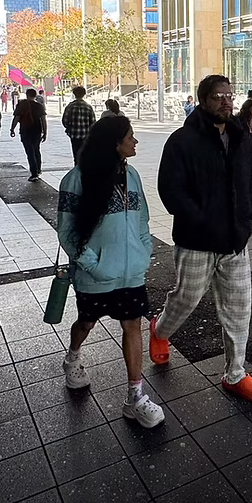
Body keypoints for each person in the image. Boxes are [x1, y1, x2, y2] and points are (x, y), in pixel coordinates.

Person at [150, 74, 252, 402]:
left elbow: (250, 178)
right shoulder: (182, 141)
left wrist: (246, 218)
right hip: (197, 239)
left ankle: (235, 373)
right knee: (186, 298)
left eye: (229, 95)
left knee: (239, 307)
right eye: (218, 96)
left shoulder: (241, 136)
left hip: (235, 240)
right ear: (202, 101)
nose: (226, 101)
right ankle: (160, 330)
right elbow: (170, 191)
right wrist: (200, 218)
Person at [57, 116, 164, 428]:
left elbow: (142, 218)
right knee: (86, 323)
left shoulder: (132, 176)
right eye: (130, 136)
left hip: (131, 274)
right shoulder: (76, 179)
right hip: (94, 276)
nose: (135, 141)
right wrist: (94, 264)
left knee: (133, 325)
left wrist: (143, 251)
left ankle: (135, 397)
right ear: (114, 143)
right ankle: (73, 357)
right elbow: (67, 232)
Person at [11, 88, 47, 181]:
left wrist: (12, 129)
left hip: (25, 131)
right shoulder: (39, 106)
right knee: (36, 150)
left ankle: (34, 173)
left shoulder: (21, 105)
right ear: (35, 96)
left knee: (30, 152)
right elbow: (43, 120)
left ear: (26, 95)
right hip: (37, 131)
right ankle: (38, 169)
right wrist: (45, 132)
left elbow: (16, 118)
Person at [62, 86, 97, 165]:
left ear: (74, 94)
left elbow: (65, 121)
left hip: (74, 135)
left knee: (76, 155)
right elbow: (93, 122)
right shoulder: (88, 107)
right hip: (86, 135)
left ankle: (77, 168)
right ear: (84, 94)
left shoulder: (70, 107)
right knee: (85, 155)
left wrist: (69, 129)